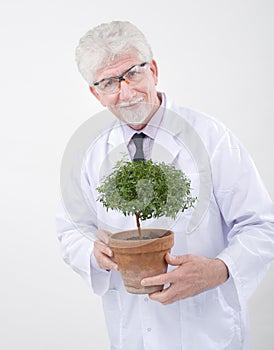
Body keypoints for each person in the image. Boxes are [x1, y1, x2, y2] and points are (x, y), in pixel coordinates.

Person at [56, 21, 274, 350]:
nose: (126, 93)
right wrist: (91, 249)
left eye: (133, 74)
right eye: (110, 83)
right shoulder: (90, 154)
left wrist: (218, 270)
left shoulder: (211, 138)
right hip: (133, 333)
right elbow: (70, 230)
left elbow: (261, 225)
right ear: (95, 93)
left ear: (154, 70)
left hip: (208, 332)